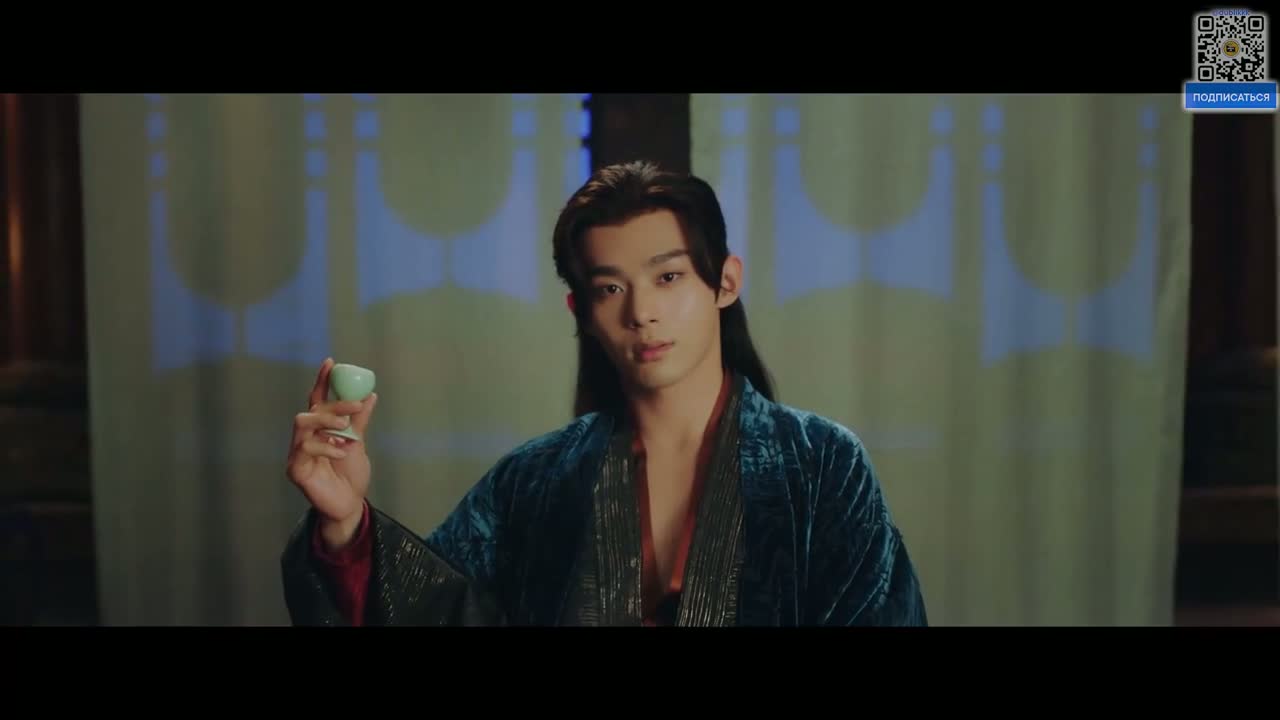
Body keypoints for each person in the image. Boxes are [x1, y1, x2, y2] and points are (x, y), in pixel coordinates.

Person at [280, 160, 928, 626]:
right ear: (582, 311)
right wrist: (346, 525)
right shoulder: (534, 480)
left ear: (725, 282)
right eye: (611, 288)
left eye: (668, 277)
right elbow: (434, 611)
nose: (642, 312)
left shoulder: (820, 464)